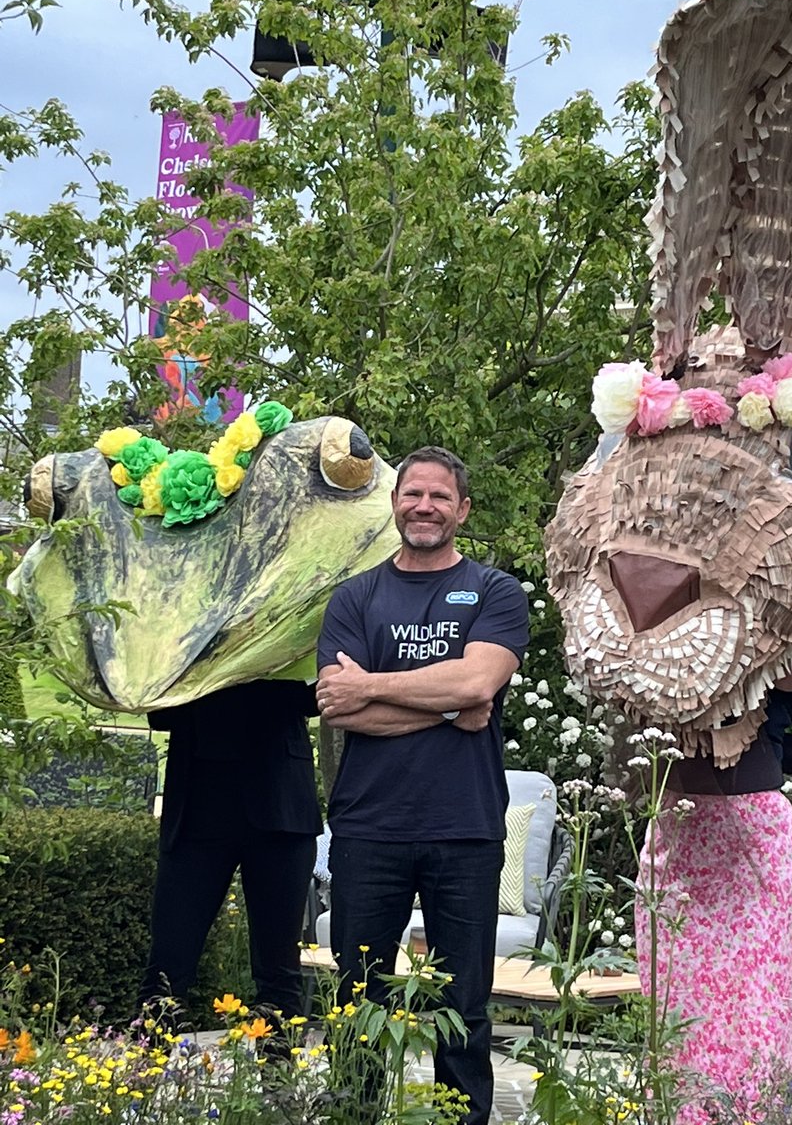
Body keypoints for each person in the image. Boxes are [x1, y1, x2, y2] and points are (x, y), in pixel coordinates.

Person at [316, 446, 529, 1125]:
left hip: (463, 827)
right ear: (394, 503)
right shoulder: (355, 597)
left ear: (462, 510)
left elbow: (477, 683)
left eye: (440, 497)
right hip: (367, 827)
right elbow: (338, 706)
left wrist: (376, 687)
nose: (425, 507)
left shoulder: (495, 591)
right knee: (358, 999)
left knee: (462, 1004)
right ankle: (355, 1115)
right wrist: (447, 706)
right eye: (414, 495)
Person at [634, 661, 792, 1124]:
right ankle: (680, 1113)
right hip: (679, 819)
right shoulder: (662, 610)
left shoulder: (780, 599)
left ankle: (752, 1113)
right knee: (672, 989)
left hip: (751, 824)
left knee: (754, 993)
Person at [137, 678, 322, 1028]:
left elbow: (314, 697)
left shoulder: (285, 624)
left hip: (280, 807)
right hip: (196, 807)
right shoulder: (181, 624)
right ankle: (140, 1077)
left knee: (279, 972)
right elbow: (158, 710)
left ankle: (278, 1083)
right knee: (166, 968)